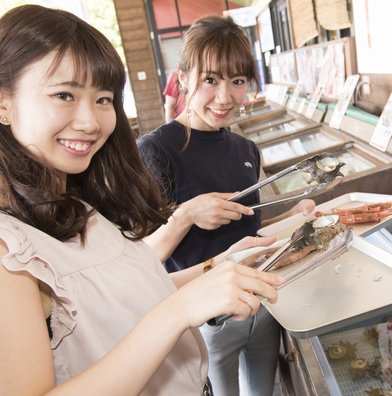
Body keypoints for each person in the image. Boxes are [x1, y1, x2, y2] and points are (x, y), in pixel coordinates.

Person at [0, 5, 283, 396]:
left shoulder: (78, 204)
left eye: (103, 99)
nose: (90, 121)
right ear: (3, 102)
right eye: (64, 94)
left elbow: (129, 290)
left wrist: (222, 264)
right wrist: (179, 309)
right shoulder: (8, 249)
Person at [137, 15, 315, 396]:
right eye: (210, 80)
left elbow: (251, 229)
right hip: (205, 319)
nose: (225, 97)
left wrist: (293, 216)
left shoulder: (245, 149)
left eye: (237, 81)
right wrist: (186, 215)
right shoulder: (156, 150)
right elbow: (141, 260)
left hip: (263, 303)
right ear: (182, 78)